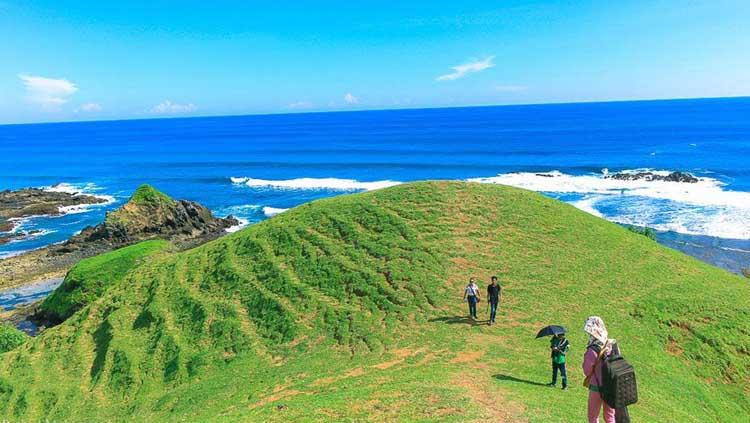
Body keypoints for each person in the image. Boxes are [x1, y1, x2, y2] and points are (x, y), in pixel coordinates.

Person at [582, 316, 616, 423]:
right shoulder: (612, 344)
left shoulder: (592, 350)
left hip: (597, 387)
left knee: (593, 417)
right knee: (610, 417)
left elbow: (587, 371)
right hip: (612, 386)